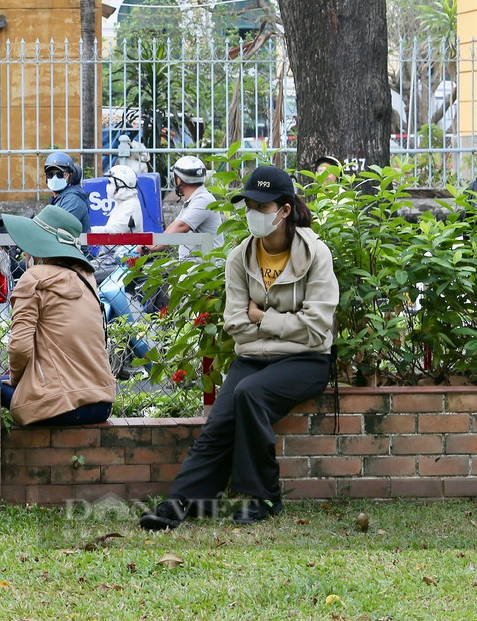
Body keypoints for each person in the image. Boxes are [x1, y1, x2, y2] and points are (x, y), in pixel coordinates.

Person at [139, 165, 338, 530]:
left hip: (307, 360)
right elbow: (235, 324)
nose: (254, 214)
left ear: (285, 210)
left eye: (262, 207)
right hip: (255, 356)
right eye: (249, 205)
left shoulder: (315, 255)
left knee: (249, 394)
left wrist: (263, 319)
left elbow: (315, 329)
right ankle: (183, 501)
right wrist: (275, 325)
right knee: (219, 422)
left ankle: (264, 498)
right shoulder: (239, 257)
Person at [0, 205, 116, 425]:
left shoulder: (33, 279)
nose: (25, 253)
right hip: (101, 403)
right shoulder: (87, 277)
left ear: (39, 246)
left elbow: (19, 348)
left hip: (57, 404)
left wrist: (14, 380)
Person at [142, 155, 222, 259]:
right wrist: (152, 242)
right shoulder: (193, 200)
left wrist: (151, 247)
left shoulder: (203, 200)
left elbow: (181, 227)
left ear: (179, 180)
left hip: (205, 267)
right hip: (194, 264)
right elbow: (173, 226)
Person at [43, 151, 91, 237]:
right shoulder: (59, 199)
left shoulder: (74, 200)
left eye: (60, 174)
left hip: (73, 249)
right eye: (50, 174)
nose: (54, 178)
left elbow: (57, 229)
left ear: (70, 176)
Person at [91, 164, 143, 235]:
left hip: (128, 245)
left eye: (110, 182)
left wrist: (89, 230)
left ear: (120, 184)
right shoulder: (122, 201)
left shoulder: (131, 205)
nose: (108, 185)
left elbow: (115, 230)